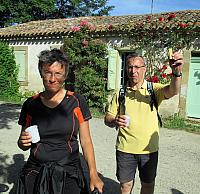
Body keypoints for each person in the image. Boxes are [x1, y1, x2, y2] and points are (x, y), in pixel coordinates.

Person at [16, 49, 104, 194]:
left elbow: (86, 141)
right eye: (47, 72)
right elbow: (23, 143)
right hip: (36, 171)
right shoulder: (30, 104)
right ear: (41, 73)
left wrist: (93, 174)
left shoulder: (76, 101)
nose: (52, 78)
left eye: (58, 73)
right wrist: (22, 142)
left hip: (68, 171)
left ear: (65, 75)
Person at [104, 51, 183, 194]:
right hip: (125, 149)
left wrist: (176, 73)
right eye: (129, 67)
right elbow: (107, 118)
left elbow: (173, 91)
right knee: (125, 186)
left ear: (144, 69)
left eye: (137, 67)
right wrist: (115, 120)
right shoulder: (120, 92)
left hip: (149, 150)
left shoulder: (153, 89)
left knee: (147, 185)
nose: (133, 71)